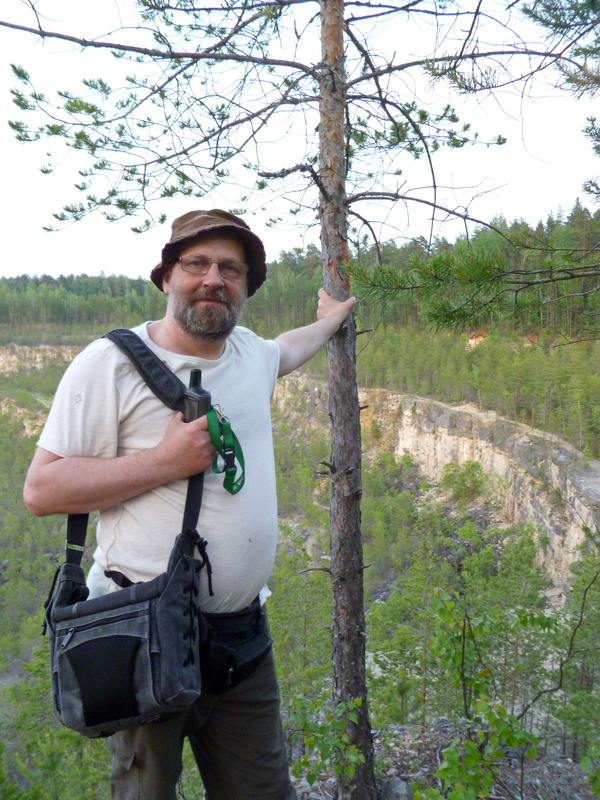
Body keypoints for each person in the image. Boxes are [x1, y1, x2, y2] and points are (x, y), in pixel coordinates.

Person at [23, 209, 356, 800]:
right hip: (143, 633)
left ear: (246, 287)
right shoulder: (111, 364)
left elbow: (287, 350)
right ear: (166, 279)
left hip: (242, 637)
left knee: (262, 791)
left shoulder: (251, 356)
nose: (213, 279)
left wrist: (330, 321)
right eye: (196, 264)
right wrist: (164, 462)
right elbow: (42, 490)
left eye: (231, 269)